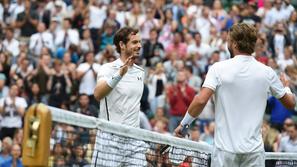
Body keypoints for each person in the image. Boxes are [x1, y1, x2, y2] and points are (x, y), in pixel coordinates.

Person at [174, 23, 296, 167]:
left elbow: (200, 100)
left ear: (234, 44)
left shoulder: (218, 68)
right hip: (253, 153)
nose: (227, 43)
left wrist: (184, 125)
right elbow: (290, 103)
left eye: (228, 40)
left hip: (224, 153)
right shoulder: (267, 72)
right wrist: (286, 88)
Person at [92, 27, 146, 166]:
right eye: (134, 42)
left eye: (140, 42)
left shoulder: (141, 72)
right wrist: (120, 74)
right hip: (109, 140)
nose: (139, 45)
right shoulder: (107, 68)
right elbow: (98, 94)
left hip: (134, 140)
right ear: (122, 45)